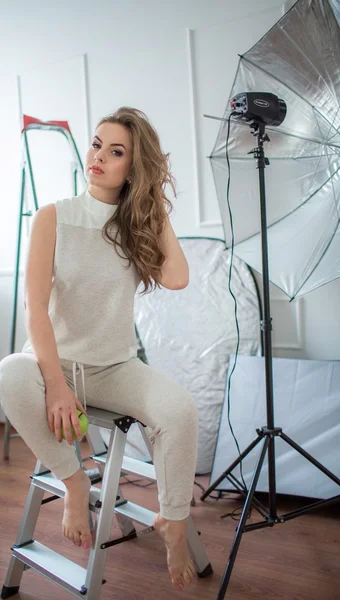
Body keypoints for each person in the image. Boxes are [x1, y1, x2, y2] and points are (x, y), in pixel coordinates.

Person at [0, 107, 199, 592]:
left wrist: (153, 204)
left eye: (116, 152)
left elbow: (177, 278)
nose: (99, 156)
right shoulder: (53, 217)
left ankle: (172, 521)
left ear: (134, 167)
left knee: (179, 410)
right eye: (96, 144)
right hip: (56, 363)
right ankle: (73, 482)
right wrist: (54, 385)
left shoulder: (138, 226)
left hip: (115, 367)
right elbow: (36, 309)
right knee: (8, 372)